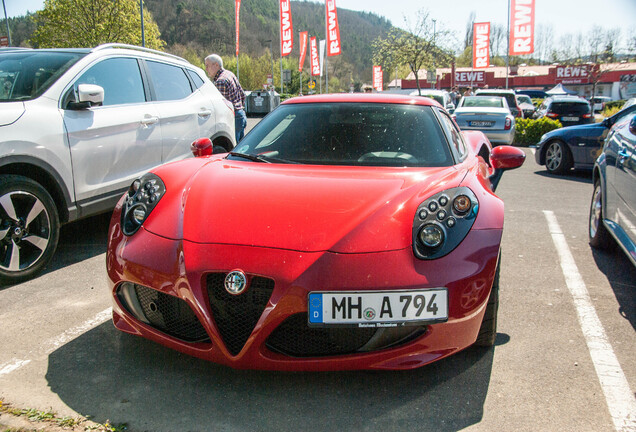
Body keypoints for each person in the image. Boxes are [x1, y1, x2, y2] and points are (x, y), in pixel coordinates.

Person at [204, 54, 247, 143]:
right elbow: (243, 95)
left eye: (207, 65)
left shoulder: (220, 81)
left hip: (233, 118)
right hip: (241, 114)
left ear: (216, 65)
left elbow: (221, 108)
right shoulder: (230, 74)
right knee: (241, 148)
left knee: (233, 150)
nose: (206, 69)